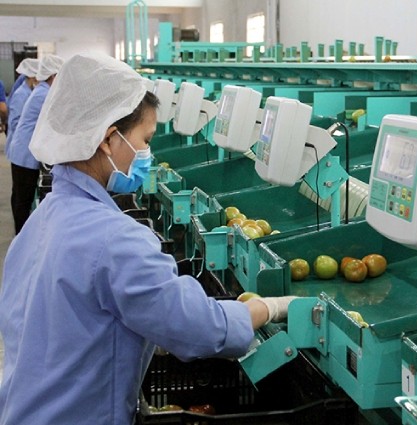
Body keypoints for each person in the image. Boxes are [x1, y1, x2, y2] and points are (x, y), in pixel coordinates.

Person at [0, 52, 296, 424]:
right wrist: (269, 309)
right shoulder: (114, 240)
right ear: (109, 140)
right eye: (145, 139)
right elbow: (198, 328)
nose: (147, 154)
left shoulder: (40, 220)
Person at [7, 54, 63, 234]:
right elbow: (58, 121)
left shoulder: (40, 91)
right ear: (53, 76)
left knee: (20, 196)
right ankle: (21, 236)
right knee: (23, 198)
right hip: (24, 154)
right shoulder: (44, 94)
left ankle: (20, 234)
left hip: (22, 150)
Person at [5, 58, 39, 156]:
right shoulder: (21, 94)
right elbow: (15, 122)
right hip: (20, 147)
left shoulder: (29, 91)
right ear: (33, 77)